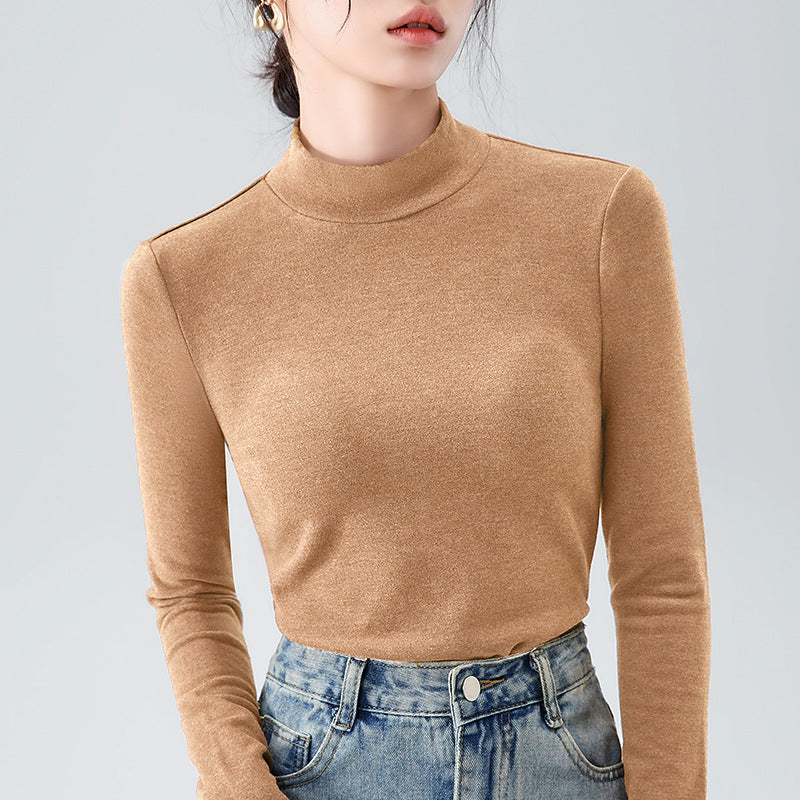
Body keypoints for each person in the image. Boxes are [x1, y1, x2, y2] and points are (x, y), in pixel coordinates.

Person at [119, 2, 711, 799]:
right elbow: (190, 592)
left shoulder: (602, 217)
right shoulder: (183, 278)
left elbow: (662, 575)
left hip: (558, 762)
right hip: (317, 770)